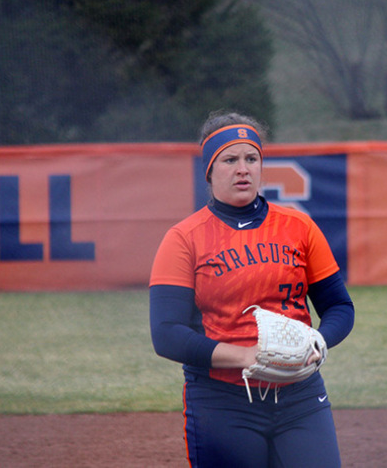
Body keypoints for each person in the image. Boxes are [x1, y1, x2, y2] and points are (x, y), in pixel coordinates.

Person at [149, 111, 355, 468]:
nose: (243, 169)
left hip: (300, 396)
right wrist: (246, 357)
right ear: (210, 171)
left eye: (251, 158)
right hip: (222, 401)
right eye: (230, 159)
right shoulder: (184, 239)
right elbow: (166, 335)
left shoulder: (298, 227)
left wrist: (318, 343)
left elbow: (339, 306)